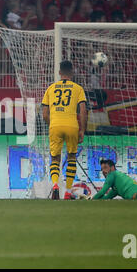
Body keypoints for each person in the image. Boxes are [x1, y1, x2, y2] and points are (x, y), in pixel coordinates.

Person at [41, 60, 88, 200]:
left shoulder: (51, 88)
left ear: (59, 72)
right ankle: (68, 191)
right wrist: (82, 130)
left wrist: (53, 123)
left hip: (55, 125)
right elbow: (83, 111)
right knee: (72, 157)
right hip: (72, 125)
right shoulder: (78, 88)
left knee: (55, 158)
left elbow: (44, 114)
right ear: (72, 72)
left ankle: (55, 185)